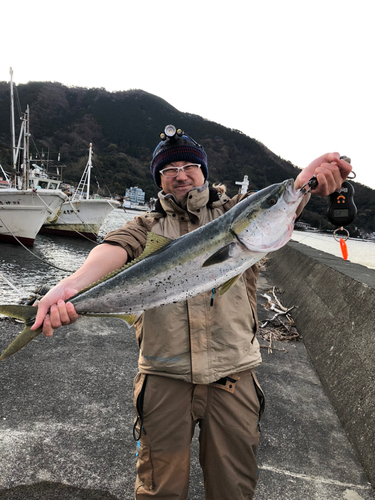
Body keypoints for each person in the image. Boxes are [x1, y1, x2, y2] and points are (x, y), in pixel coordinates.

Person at [32, 126, 352, 499]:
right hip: (164, 377)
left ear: (203, 171)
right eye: (170, 169)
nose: (181, 174)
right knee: (159, 490)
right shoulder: (146, 226)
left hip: (233, 375)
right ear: (159, 179)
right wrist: (73, 286)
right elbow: (114, 248)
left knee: (233, 487)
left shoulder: (234, 213)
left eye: (189, 166)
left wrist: (305, 185)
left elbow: (278, 205)